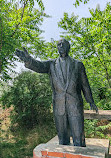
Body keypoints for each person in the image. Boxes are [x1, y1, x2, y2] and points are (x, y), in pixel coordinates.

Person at [15, 39, 98, 147]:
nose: (61, 46)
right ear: (57, 47)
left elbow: (85, 85)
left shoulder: (78, 64)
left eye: (64, 44)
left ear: (69, 47)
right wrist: (28, 60)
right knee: (62, 139)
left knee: (78, 135)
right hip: (59, 106)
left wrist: (90, 101)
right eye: (59, 44)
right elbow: (39, 66)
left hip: (75, 104)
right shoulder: (51, 64)